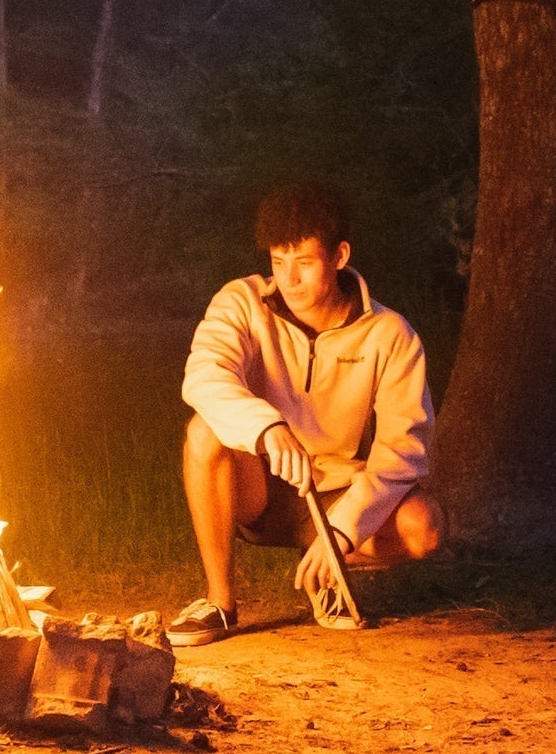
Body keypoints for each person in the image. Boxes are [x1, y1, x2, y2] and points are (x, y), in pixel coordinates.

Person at [172, 182, 443, 643]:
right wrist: (266, 427)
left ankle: (324, 567)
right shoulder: (242, 302)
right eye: (278, 262)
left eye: (304, 263)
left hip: (337, 491)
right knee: (202, 432)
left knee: (425, 527)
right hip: (258, 484)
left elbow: (405, 449)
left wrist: (343, 528)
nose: (288, 279)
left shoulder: (389, 334)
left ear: (339, 257)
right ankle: (220, 605)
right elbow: (204, 375)